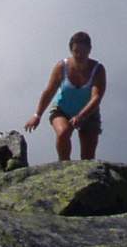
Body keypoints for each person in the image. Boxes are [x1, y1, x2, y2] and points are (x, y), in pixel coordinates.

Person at [23, 31, 106, 161]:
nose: (79, 55)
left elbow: (96, 97)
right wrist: (37, 115)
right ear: (71, 50)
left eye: (83, 52)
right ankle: (64, 165)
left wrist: (81, 116)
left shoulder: (98, 70)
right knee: (63, 133)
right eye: (76, 51)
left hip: (89, 113)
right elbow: (49, 91)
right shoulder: (62, 67)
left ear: (89, 50)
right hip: (62, 110)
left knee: (88, 157)